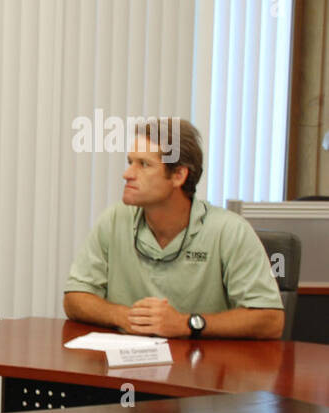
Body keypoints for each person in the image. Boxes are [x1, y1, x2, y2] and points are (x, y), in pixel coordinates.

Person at [64, 117, 284, 340]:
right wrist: (123, 316)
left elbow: (271, 319)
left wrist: (186, 323)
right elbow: (75, 298)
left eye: (144, 164)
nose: (127, 174)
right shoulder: (114, 220)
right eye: (130, 162)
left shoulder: (230, 231)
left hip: (201, 368)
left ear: (179, 175)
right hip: (129, 366)